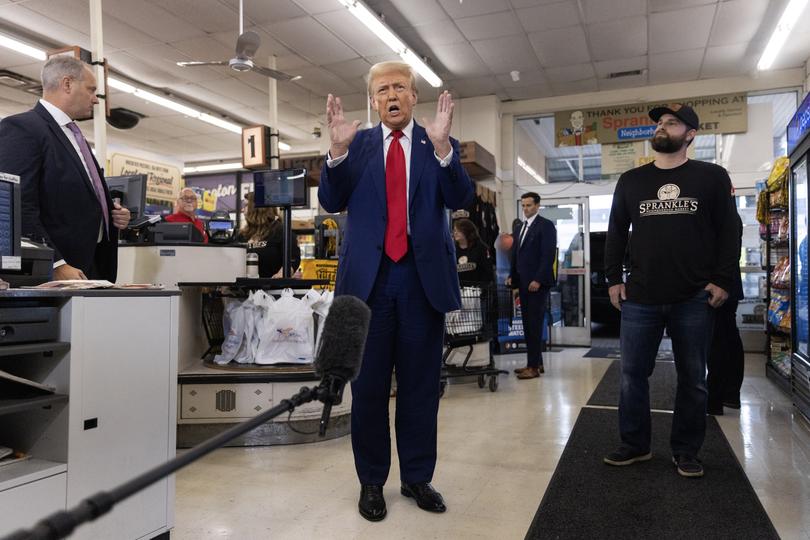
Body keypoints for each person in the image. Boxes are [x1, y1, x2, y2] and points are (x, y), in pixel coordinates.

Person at [319, 61, 473, 522]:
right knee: (366, 389)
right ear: (372, 100)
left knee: (421, 387)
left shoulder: (437, 143)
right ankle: (371, 482)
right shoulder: (357, 145)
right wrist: (336, 153)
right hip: (368, 282)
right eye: (382, 88)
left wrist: (446, 148)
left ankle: (416, 477)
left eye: (400, 87)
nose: (391, 94)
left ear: (413, 97)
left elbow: (460, 195)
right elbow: (330, 200)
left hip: (421, 282)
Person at [603, 104, 740, 478]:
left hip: (694, 297)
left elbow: (731, 232)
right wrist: (613, 278)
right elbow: (616, 233)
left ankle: (686, 450)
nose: (662, 126)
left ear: (691, 134)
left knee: (693, 378)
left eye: (672, 122)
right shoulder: (631, 181)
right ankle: (634, 445)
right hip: (640, 298)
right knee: (632, 375)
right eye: (660, 122)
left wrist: (723, 279)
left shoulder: (711, 177)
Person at [0, 55, 130, 281]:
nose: (96, 100)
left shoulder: (74, 135)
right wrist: (55, 263)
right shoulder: (24, 128)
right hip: (57, 272)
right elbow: (17, 207)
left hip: (91, 265)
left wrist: (109, 214)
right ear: (67, 84)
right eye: (91, 90)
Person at [506, 192, 557, 380]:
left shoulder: (546, 226)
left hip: (537, 284)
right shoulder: (520, 227)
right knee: (528, 325)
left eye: (529, 205)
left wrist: (538, 279)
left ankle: (533, 367)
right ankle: (536, 362)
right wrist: (512, 275)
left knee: (534, 325)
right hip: (523, 283)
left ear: (537, 206)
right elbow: (516, 254)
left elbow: (548, 255)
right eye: (524, 206)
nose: (526, 209)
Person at [707, 212, 744, 415]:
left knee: (719, 342)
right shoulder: (730, 214)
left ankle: (717, 397)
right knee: (727, 338)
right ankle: (729, 394)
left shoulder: (724, 215)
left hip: (720, 288)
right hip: (727, 287)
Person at [238, 192, 300, 278]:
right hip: (243, 289)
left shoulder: (281, 231)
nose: (242, 209)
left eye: (246, 205)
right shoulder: (242, 235)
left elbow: (293, 259)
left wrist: (282, 274)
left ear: (257, 208)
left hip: (272, 288)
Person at [453, 218, 493, 284]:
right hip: (458, 289)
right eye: (454, 230)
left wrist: (480, 288)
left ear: (467, 231)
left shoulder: (481, 248)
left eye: (459, 230)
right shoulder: (452, 249)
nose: (455, 233)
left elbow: (488, 271)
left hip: (477, 290)